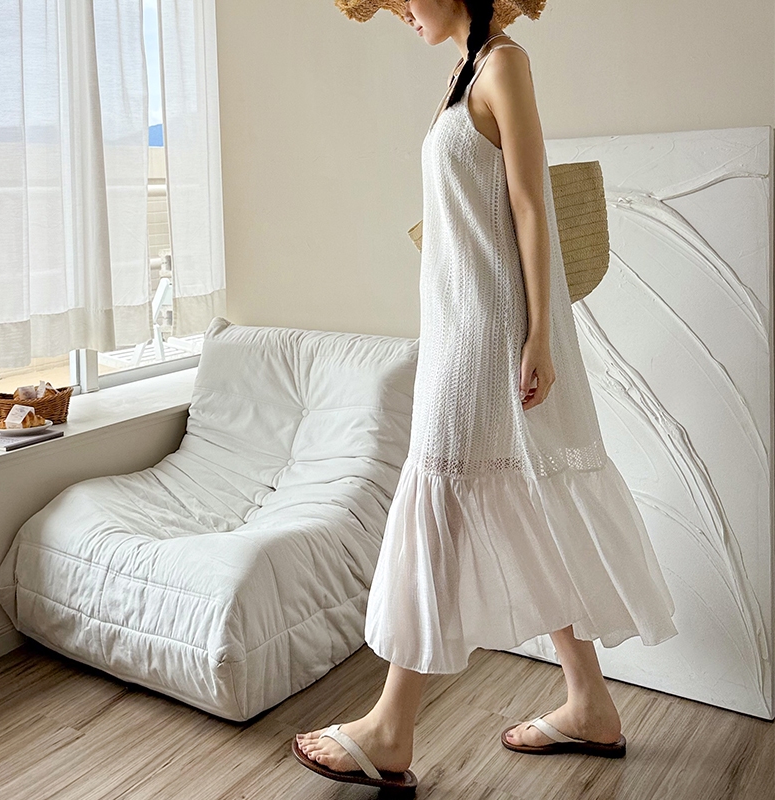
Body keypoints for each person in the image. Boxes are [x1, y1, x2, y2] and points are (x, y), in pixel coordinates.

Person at [294, 0, 677, 790]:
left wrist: (539, 337)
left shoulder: (504, 65)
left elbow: (532, 206)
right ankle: (589, 704)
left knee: (443, 502)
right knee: (515, 505)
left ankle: (391, 728)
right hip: (457, 326)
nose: (400, 12)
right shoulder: (460, 74)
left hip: (488, 332)